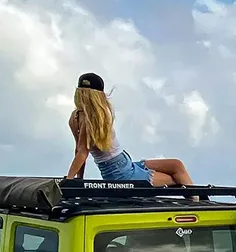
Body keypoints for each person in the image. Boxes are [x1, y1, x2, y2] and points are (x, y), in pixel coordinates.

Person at [65, 72, 195, 188]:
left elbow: (79, 150)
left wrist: (77, 179)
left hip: (123, 165)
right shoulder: (92, 119)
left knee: (176, 165)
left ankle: (196, 198)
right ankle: (197, 202)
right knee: (176, 177)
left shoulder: (76, 116)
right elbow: (82, 152)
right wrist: (70, 180)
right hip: (122, 173)